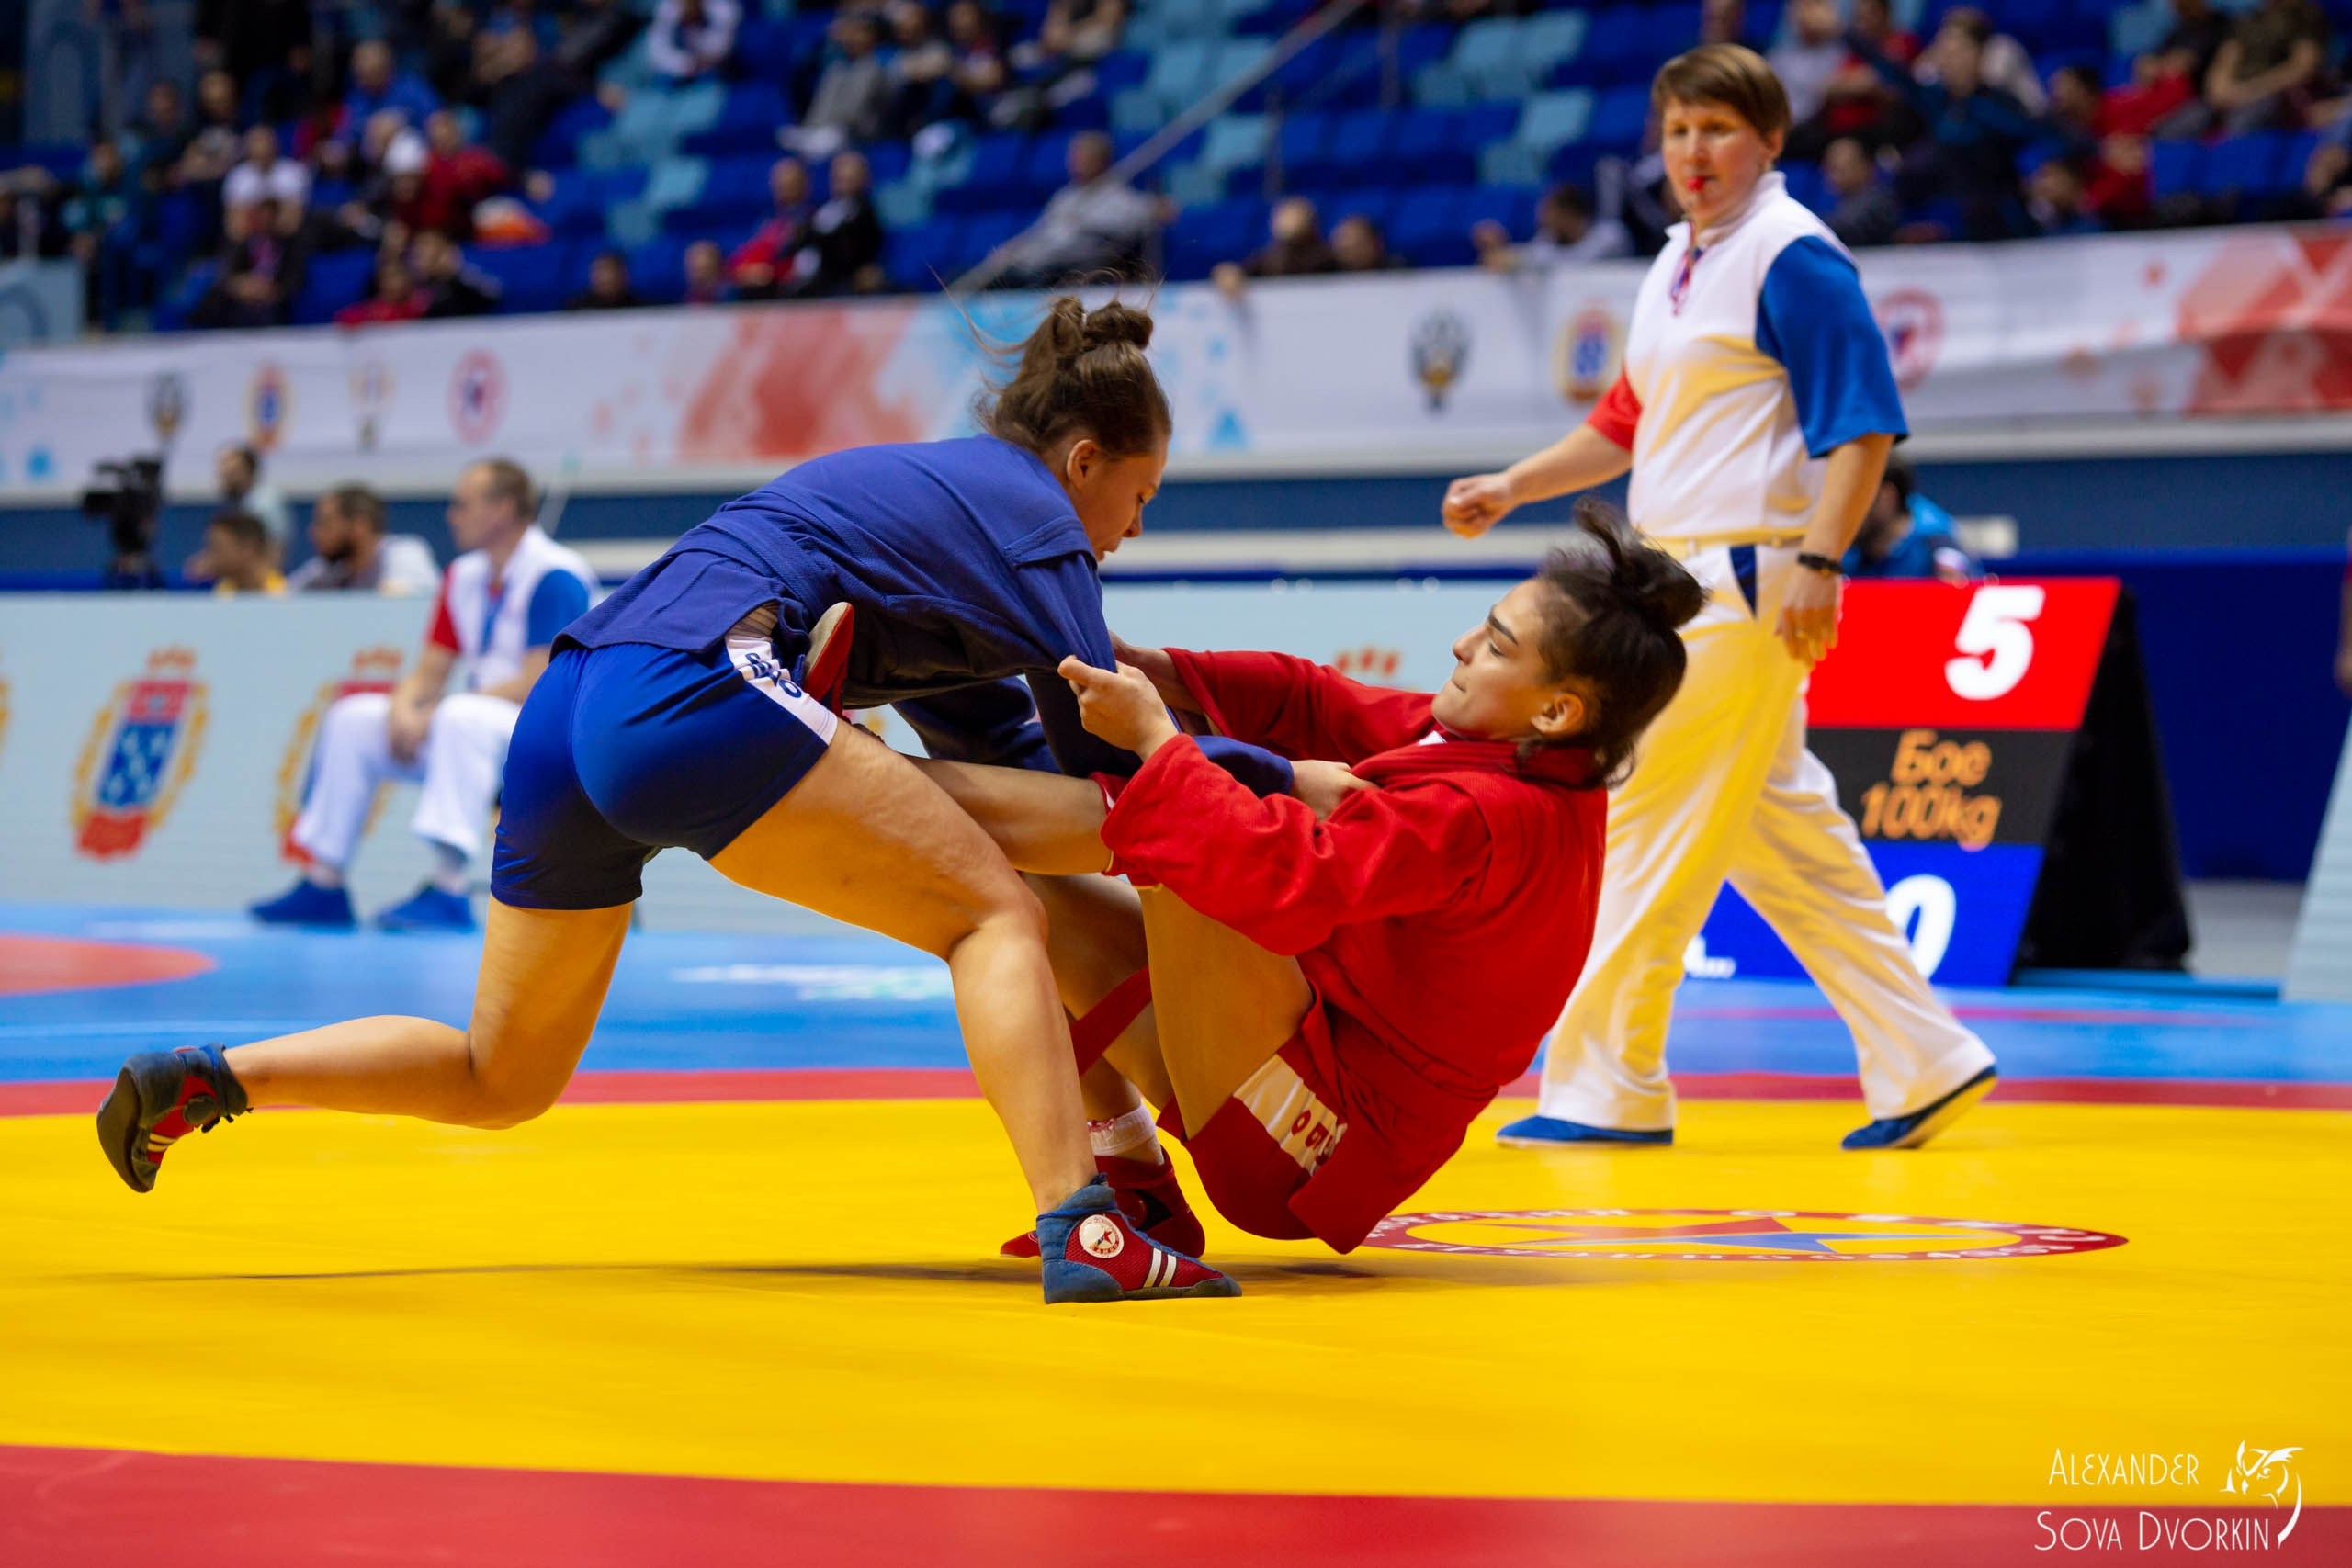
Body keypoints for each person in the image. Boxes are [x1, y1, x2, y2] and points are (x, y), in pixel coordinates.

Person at [101, 300, 1242, 1306]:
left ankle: (212, 1079)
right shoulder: (1037, 522)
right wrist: (1300, 788)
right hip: (697, 680)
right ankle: (1082, 1223)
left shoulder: (954, 500)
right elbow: (1124, 754)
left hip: (575, 698)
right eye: (1138, 495)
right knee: (993, 915)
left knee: (501, 1077)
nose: (1132, 527)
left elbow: (1009, 750)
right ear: (1084, 461)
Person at [1440, 44, 1998, 1153]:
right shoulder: (1680, 262)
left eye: (1717, 129)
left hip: (1743, 579)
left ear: (1771, 141)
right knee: (1785, 839)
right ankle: (1925, 1056)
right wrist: (1511, 484)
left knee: (1637, 818)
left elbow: (1865, 424)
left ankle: (1608, 1084)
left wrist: (1822, 562)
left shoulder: (1793, 257)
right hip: (1685, 576)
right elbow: (1622, 423)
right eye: (1676, 130)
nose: (1693, 151)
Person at [922, 502, 1702, 1257]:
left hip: (1304, 1152)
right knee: (1020, 887)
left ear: (1559, 710)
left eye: (1498, 646)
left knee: (1193, 828)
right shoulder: (1506, 749)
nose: (1464, 645)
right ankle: (1133, 1182)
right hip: (1300, 1062)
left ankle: (863, 776)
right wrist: (1157, 670)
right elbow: (1317, 700)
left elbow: (1280, 882)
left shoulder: (1487, 810)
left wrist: (1159, 735)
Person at [251, 459, 594, 931]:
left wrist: (436, 713)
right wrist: (402, 708)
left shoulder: (555, 574)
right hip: (474, 728)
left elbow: (541, 681)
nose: (450, 515)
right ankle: (323, 881)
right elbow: (431, 668)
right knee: (354, 718)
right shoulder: (463, 576)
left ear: (503, 508)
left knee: (460, 714)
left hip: (543, 736)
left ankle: (450, 889)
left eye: (462, 504)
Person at [997, 131, 1159, 287]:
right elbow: (1042, 233)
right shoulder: (1064, 197)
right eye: (1074, 156)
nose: (1075, 161)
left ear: (1101, 160)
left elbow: (1148, 213)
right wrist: (1015, 253)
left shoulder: (1119, 198)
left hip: (1070, 269)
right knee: (1000, 273)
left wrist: (1084, 223)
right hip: (1038, 263)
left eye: (1083, 157)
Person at [287, 484, 442, 593]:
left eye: (325, 524)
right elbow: (283, 596)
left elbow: (402, 603)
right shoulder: (329, 570)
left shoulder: (405, 553)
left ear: (359, 526)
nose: (314, 532)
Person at [1842, 454, 1973, 582]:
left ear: (1887, 496)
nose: (1844, 510)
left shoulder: (1936, 550)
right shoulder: (1846, 555)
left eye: (1855, 497)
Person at [1473, 181, 1634, 272]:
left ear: (1569, 213)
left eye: (1550, 214)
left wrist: (1517, 258)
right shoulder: (1547, 239)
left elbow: (1579, 264)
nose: (1543, 220)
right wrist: (1499, 250)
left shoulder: (1611, 236)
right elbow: (1533, 255)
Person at [188, 510, 286, 595]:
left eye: (216, 548)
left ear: (247, 548)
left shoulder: (284, 596)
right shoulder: (221, 593)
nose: (207, 557)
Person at [217, 442, 291, 551]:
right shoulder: (239, 501)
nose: (226, 480)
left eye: (232, 474)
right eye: (224, 475)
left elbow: (275, 549)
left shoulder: (266, 503)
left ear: (249, 471)